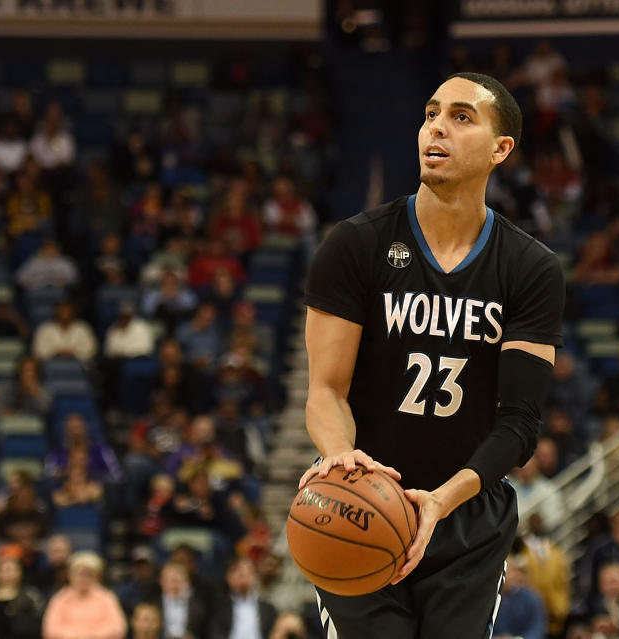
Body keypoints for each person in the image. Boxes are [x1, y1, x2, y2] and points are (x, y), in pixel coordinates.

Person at [298, 72, 565, 637]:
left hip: (467, 516)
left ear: (501, 149)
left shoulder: (530, 268)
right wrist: (340, 456)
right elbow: (325, 391)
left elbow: (518, 424)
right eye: (430, 113)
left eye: (461, 116)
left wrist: (440, 501)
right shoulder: (355, 244)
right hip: (360, 505)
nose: (436, 127)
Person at [42, 551, 127, 639]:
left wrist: (92, 636)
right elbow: (50, 630)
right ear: (70, 575)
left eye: (88, 574)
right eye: (79, 574)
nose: (82, 578)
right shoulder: (59, 599)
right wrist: (75, 636)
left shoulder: (107, 598)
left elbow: (118, 628)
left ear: (96, 576)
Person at [209, 557, 277, 639]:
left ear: (256, 576)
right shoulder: (218, 607)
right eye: (238, 571)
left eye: (248, 571)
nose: (243, 575)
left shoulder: (268, 609)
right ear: (228, 576)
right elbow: (214, 634)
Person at [491, 556, 547, 639]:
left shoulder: (531, 599)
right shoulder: (491, 601)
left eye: (508, 572)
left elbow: (537, 630)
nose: (505, 577)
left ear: (516, 574)